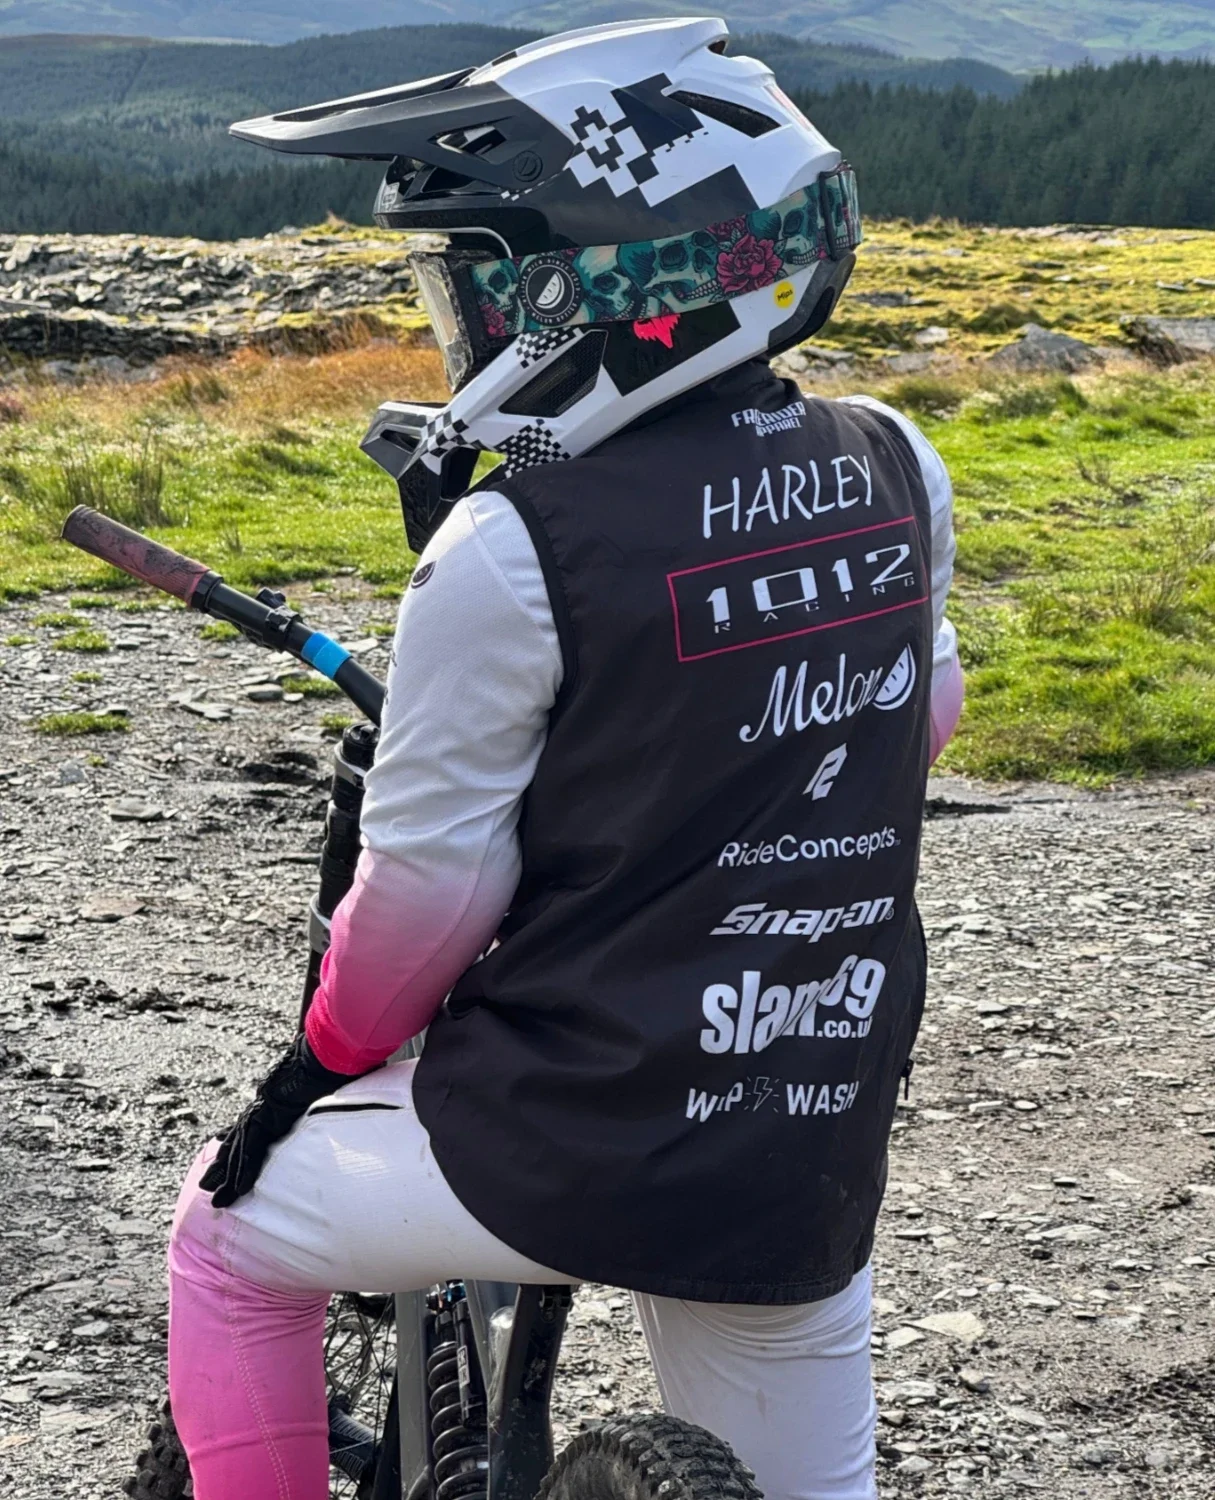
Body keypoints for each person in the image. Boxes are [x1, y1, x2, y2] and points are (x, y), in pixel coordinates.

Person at [168, 18, 964, 1500]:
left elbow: (427, 901)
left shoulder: (512, 541)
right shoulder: (892, 463)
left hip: (584, 1117)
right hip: (805, 1120)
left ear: (609, 286)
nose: (463, 326)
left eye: (480, 283)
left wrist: (310, 1069)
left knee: (223, 1240)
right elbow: (913, 722)